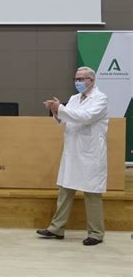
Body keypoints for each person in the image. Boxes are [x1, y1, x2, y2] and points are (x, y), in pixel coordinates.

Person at [37, 66, 108, 246]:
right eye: (76, 79)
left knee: (92, 194)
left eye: (82, 79)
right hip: (73, 152)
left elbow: (85, 117)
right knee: (65, 190)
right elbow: (66, 120)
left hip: (91, 154)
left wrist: (60, 108)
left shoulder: (100, 98)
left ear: (92, 81)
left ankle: (96, 233)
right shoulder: (74, 98)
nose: (78, 82)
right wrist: (55, 111)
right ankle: (56, 228)